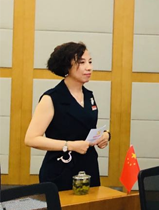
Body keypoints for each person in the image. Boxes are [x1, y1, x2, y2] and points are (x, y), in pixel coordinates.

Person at [25, 42, 109, 191]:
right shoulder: (51, 98)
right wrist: (70, 145)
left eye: (90, 62)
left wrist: (105, 136)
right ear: (66, 66)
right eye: (81, 62)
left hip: (88, 167)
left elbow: (84, 127)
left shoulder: (89, 96)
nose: (89, 67)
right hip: (61, 168)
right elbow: (31, 139)